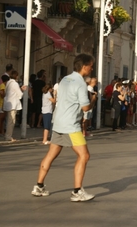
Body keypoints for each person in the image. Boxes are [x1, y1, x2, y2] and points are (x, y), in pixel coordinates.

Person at [31, 54, 97, 202]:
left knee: (51, 154)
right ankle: (77, 191)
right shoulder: (80, 83)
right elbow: (85, 107)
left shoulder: (65, 80)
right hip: (71, 125)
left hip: (58, 122)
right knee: (84, 155)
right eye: (91, 66)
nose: (92, 68)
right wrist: (93, 100)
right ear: (85, 66)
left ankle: (39, 186)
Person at [3, 70, 27, 141]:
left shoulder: (8, 83)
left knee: (9, 121)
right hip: (13, 104)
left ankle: (7, 135)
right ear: (16, 76)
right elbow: (19, 95)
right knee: (11, 121)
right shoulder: (15, 84)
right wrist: (22, 90)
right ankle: (8, 136)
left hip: (8, 103)